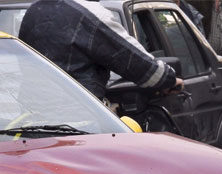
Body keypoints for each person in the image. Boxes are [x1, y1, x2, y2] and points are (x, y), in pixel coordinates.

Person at [19, 0, 182, 100]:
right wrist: (170, 79)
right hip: (81, 120)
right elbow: (143, 68)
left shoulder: (34, 11)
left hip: (32, 118)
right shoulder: (90, 14)